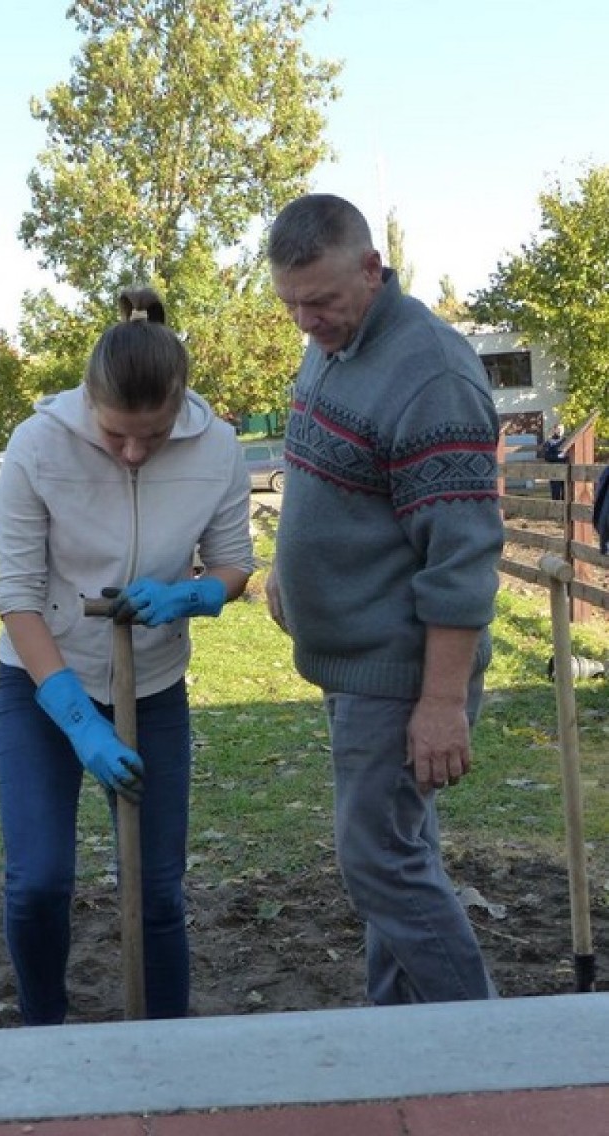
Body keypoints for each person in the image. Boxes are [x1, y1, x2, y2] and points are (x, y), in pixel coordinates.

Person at [264, 194, 504, 1006]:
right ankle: (399, 1045)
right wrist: (284, 574)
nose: (307, 321)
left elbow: (462, 560)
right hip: (353, 660)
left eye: (322, 300)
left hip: (400, 673)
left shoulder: (429, 374)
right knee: (398, 856)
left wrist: (442, 704)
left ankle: (481, 1055)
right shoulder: (332, 345)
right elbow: (321, 477)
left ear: (372, 269)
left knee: (377, 863)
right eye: (291, 303)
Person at [0, 287, 254, 1025]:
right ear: (89, 403)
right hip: (42, 685)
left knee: (155, 889)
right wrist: (77, 717)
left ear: (181, 405)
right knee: (38, 880)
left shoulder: (218, 448)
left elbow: (234, 564)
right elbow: (15, 594)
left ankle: (163, 1049)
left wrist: (195, 596)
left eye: (155, 435)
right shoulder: (37, 445)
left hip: (155, 687)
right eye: (117, 437)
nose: (135, 452)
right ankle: (44, 1027)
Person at [542, 424, 568, 501]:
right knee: (556, 493)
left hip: (565, 469)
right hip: (554, 470)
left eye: (561, 429)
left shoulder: (567, 440)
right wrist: (558, 457)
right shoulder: (549, 442)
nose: (560, 431)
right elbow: (546, 456)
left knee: (566, 493)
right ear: (554, 430)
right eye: (558, 429)